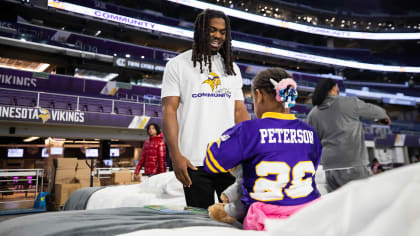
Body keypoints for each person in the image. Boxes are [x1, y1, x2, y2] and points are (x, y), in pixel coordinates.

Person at [204, 68, 322, 230]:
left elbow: (212, 163)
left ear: (259, 96)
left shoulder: (248, 130)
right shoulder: (310, 132)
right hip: (308, 215)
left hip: (264, 220)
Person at [161, 9, 250, 209]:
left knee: (235, 219)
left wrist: (248, 150)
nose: (218, 36)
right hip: (194, 161)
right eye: (212, 30)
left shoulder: (231, 68)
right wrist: (175, 156)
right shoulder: (177, 65)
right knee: (200, 222)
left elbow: (239, 111)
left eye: (222, 32)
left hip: (229, 160)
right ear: (200, 31)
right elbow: (169, 111)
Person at [307, 78, 391, 192]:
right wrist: (383, 118)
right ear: (334, 88)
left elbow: (311, 142)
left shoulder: (313, 113)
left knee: (338, 204)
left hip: (329, 168)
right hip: (353, 164)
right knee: (360, 203)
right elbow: (378, 112)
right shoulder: (349, 102)